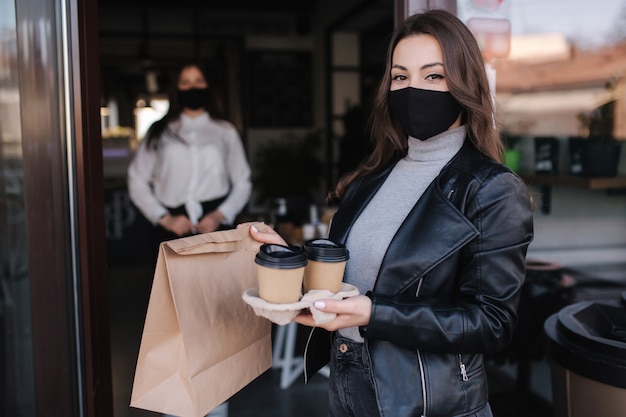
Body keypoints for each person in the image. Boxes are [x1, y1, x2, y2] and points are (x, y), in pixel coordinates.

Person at [242, 9, 534, 417]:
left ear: (464, 84)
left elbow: (492, 322)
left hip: (427, 399)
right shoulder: (370, 180)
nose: (413, 89)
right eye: (401, 77)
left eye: (433, 76)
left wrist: (373, 313)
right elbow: (348, 279)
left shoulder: (491, 189)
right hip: (348, 382)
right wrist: (287, 261)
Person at [128, 62, 252, 252]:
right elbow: (136, 179)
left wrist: (220, 215)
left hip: (216, 226)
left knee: (218, 282)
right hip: (170, 228)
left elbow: (243, 181)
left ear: (208, 86)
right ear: (176, 88)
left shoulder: (226, 131)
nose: (192, 87)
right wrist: (164, 218)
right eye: (185, 82)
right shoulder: (160, 131)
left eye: (198, 81)